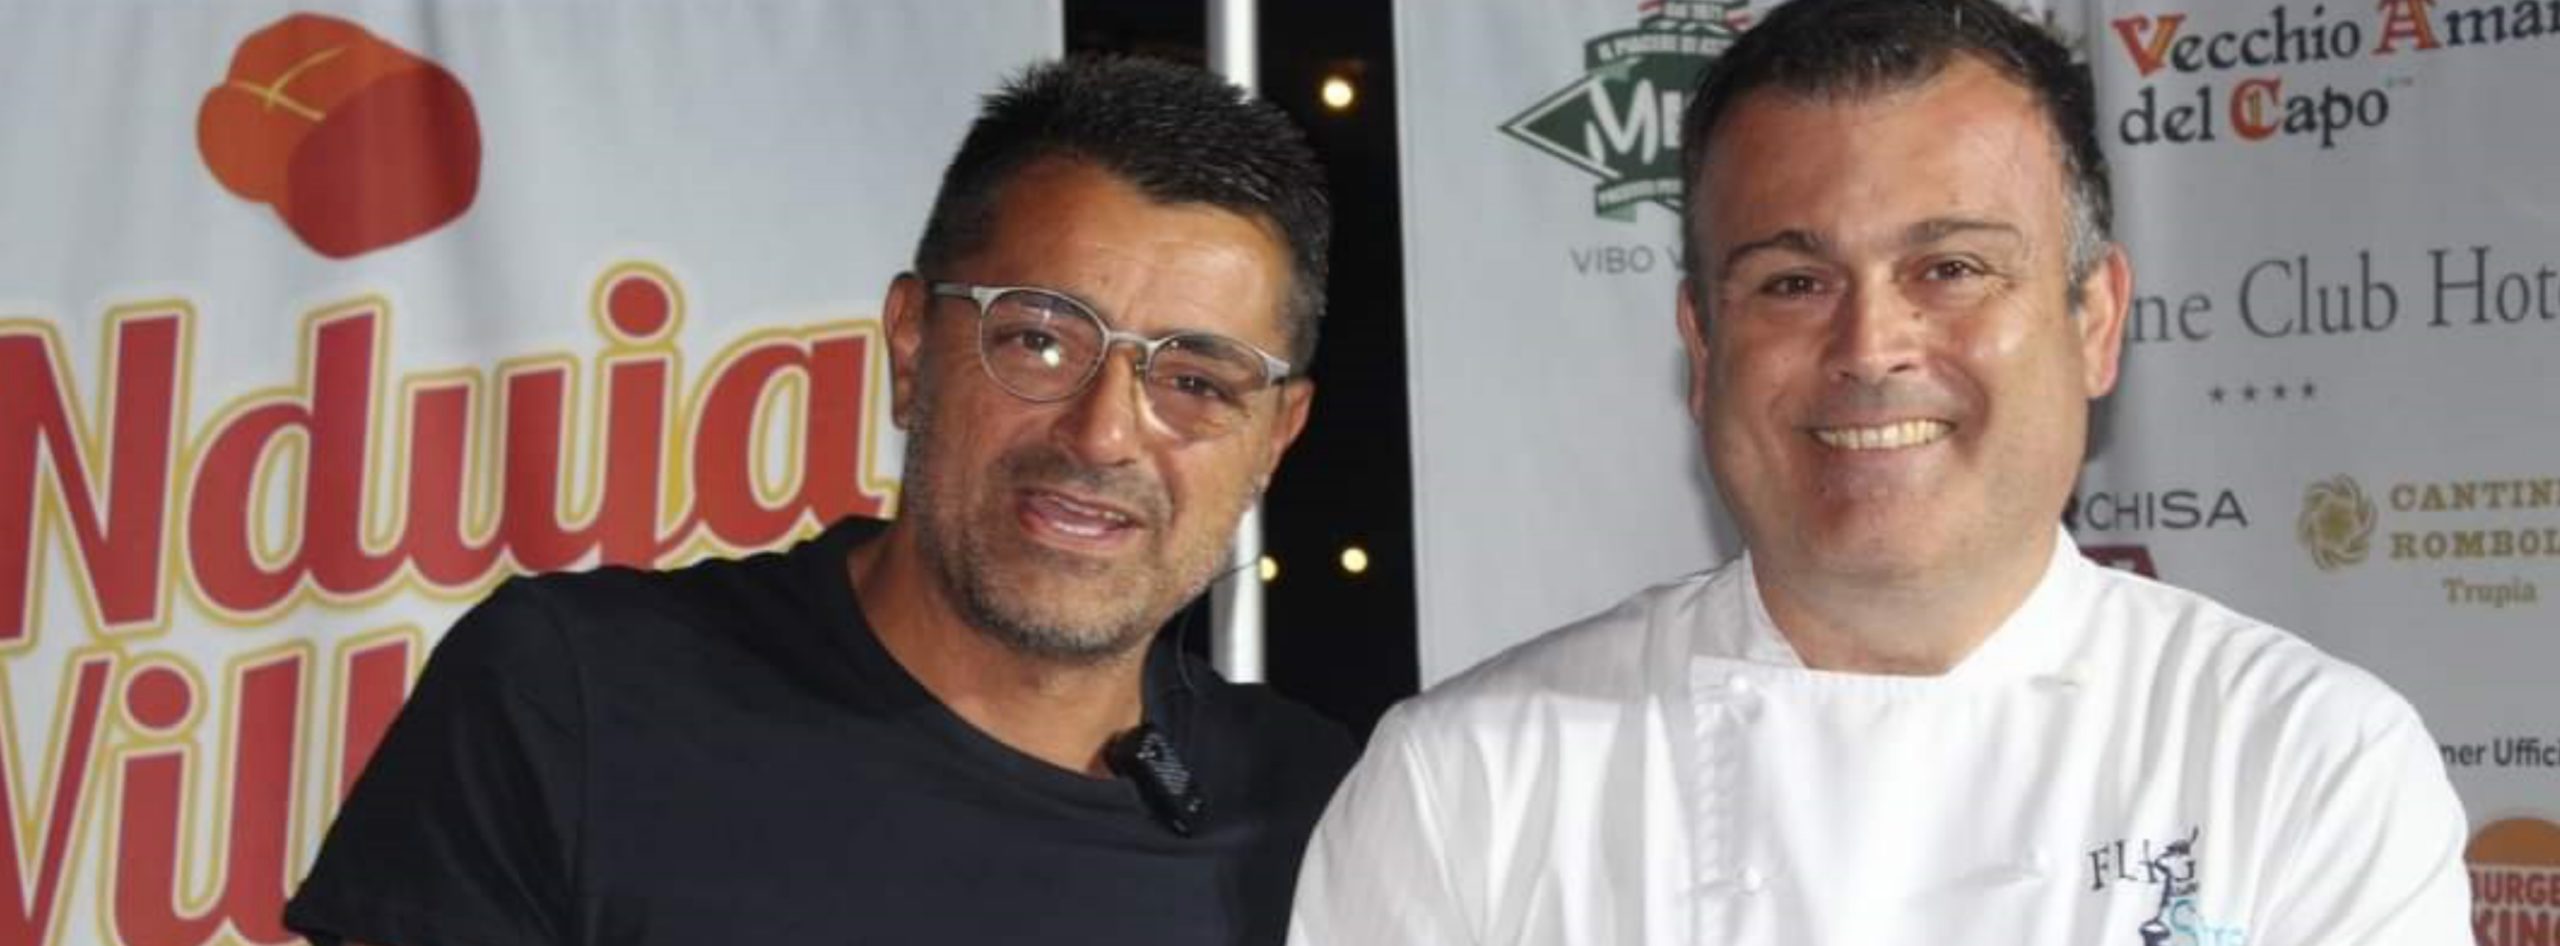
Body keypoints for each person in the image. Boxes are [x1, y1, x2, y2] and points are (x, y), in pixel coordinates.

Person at [1287, 1, 2471, 943]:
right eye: (1792, 283)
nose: (1869, 347)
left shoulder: (2305, 760)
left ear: (2095, 319)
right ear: (1702, 344)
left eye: (1950, 268)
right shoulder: (1468, 783)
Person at [286, 56, 1352, 946]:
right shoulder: (576, 696)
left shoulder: (1323, 813)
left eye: (1196, 382)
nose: (1104, 432)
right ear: (912, 344)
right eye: (1037, 339)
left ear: (1276, 436)